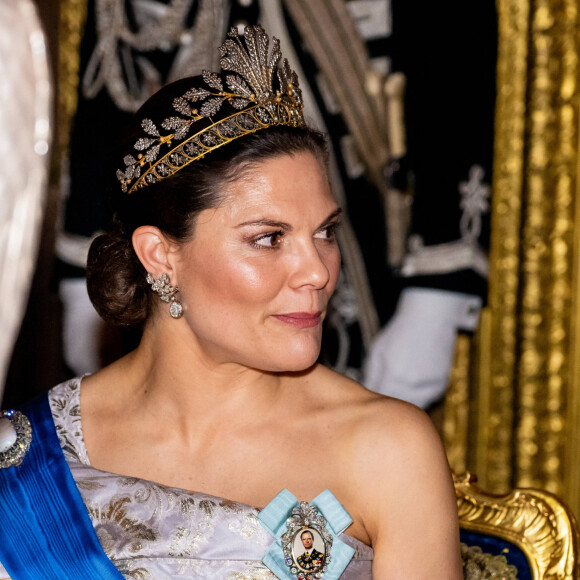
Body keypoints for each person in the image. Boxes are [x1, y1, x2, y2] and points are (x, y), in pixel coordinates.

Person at [0, 25, 462, 579]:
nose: (317, 270)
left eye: (325, 232)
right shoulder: (25, 461)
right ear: (160, 255)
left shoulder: (385, 450)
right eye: (269, 238)